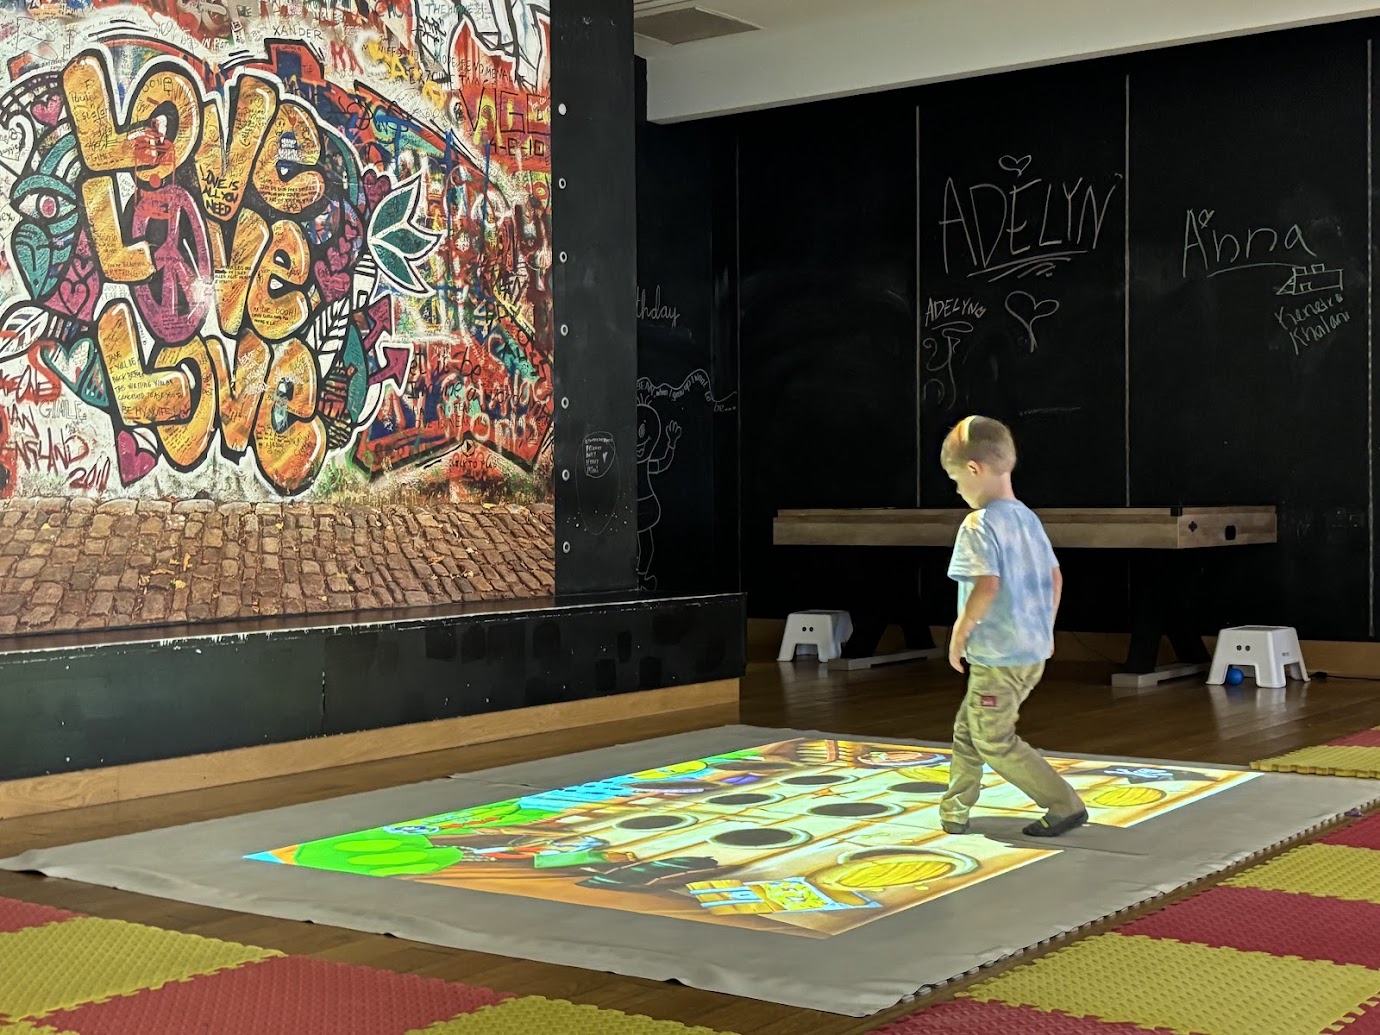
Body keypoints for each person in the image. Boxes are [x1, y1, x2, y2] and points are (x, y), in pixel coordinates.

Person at [937, 415, 1087, 838]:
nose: (958, 490)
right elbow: (1056, 580)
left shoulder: (979, 524)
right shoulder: (1028, 519)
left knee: (994, 738)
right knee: (970, 729)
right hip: (1029, 651)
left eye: (955, 480)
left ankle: (1064, 804)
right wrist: (1044, 629)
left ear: (973, 469)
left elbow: (986, 585)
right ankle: (956, 808)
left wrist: (959, 633)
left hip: (998, 656)